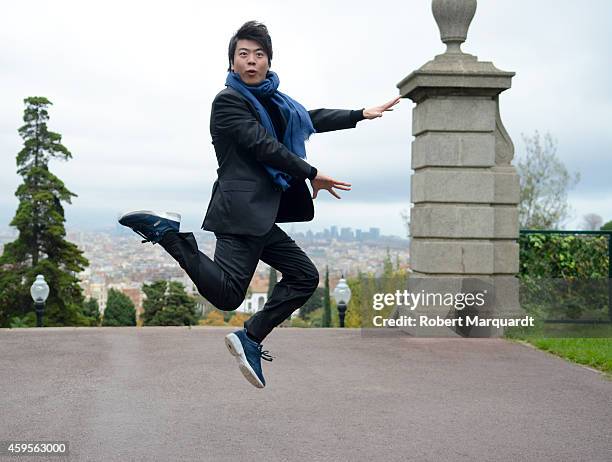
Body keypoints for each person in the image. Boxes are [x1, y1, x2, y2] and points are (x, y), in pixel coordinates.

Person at [119, 21, 399, 389]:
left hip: (261, 213)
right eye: (243, 54)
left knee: (303, 276)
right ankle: (169, 235)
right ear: (232, 62)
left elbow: (305, 119)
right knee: (227, 295)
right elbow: (263, 145)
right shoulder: (228, 102)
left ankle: (250, 337)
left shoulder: (273, 101)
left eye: (259, 54)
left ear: (269, 60)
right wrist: (311, 172)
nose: (251, 61)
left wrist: (359, 114)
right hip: (240, 211)